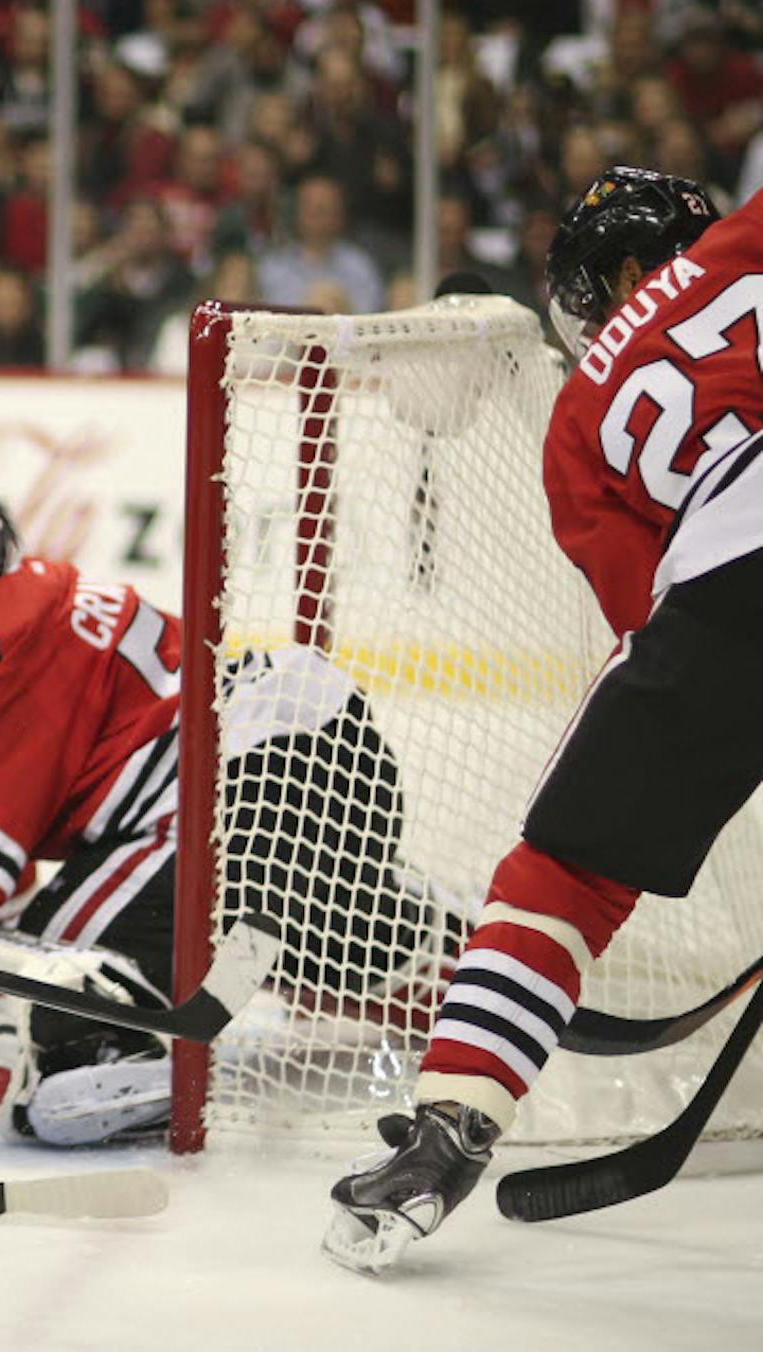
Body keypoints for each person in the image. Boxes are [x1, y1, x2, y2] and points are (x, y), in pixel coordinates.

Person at [326, 168, 763, 1274]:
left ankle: (446, 1131)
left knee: (564, 870)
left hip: (727, 588)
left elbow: (655, 620)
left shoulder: (577, 425)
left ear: (622, 276)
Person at [0, 462, 438, 1146]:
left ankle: (126, 1057)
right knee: (306, 939)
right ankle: (441, 956)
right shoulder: (40, 599)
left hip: (250, 786)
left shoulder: (1, 625)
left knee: (40, 982)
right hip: (314, 762)